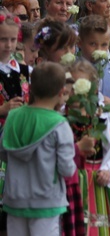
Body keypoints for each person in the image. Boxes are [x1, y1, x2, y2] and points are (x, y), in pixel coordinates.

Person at [0, 62, 76, 236]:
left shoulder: (13, 116)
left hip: (15, 199)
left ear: (31, 88)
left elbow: (3, 152)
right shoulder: (60, 124)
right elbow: (66, 168)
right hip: (47, 201)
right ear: (60, 92)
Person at [66, 60, 110, 235]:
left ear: (93, 91)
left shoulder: (101, 119)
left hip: (98, 179)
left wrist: (108, 170)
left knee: (99, 227)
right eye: (71, 87)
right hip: (71, 181)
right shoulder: (63, 119)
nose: (76, 94)